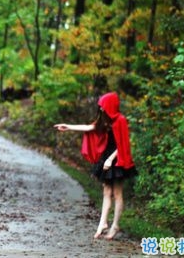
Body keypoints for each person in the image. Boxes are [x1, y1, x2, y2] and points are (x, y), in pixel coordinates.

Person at [54, 92, 137, 240]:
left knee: (117, 193)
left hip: (118, 159)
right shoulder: (105, 121)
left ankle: (115, 225)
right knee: (106, 192)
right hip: (106, 158)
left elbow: (123, 145)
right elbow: (89, 128)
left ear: (110, 106)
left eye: (104, 107)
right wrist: (68, 127)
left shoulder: (121, 121)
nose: (101, 110)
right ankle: (102, 223)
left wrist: (110, 160)